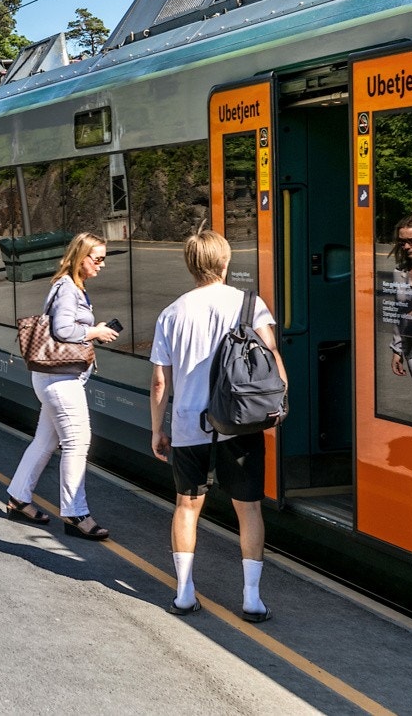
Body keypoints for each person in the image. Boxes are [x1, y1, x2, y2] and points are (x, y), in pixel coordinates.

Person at [148, 230, 287, 622]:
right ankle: (252, 598)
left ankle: (184, 593)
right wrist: (276, 405)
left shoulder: (171, 313)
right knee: (249, 510)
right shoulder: (249, 303)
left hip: (190, 425)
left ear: (191, 265)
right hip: (240, 423)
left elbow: (160, 381)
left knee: (187, 508)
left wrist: (158, 428)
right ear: (225, 263)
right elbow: (271, 355)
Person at [5, 232, 119, 539]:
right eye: (97, 259)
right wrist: (95, 332)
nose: (102, 265)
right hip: (60, 380)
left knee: (45, 442)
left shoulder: (70, 286)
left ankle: (18, 497)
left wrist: (93, 330)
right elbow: (63, 328)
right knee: (78, 443)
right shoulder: (68, 288)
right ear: (81, 258)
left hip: (54, 379)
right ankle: (74, 513)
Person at [384, 215, 412, 400]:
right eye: (402, 242)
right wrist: (397, 350)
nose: (407, 247)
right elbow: (398, 313)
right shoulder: (399, 272)